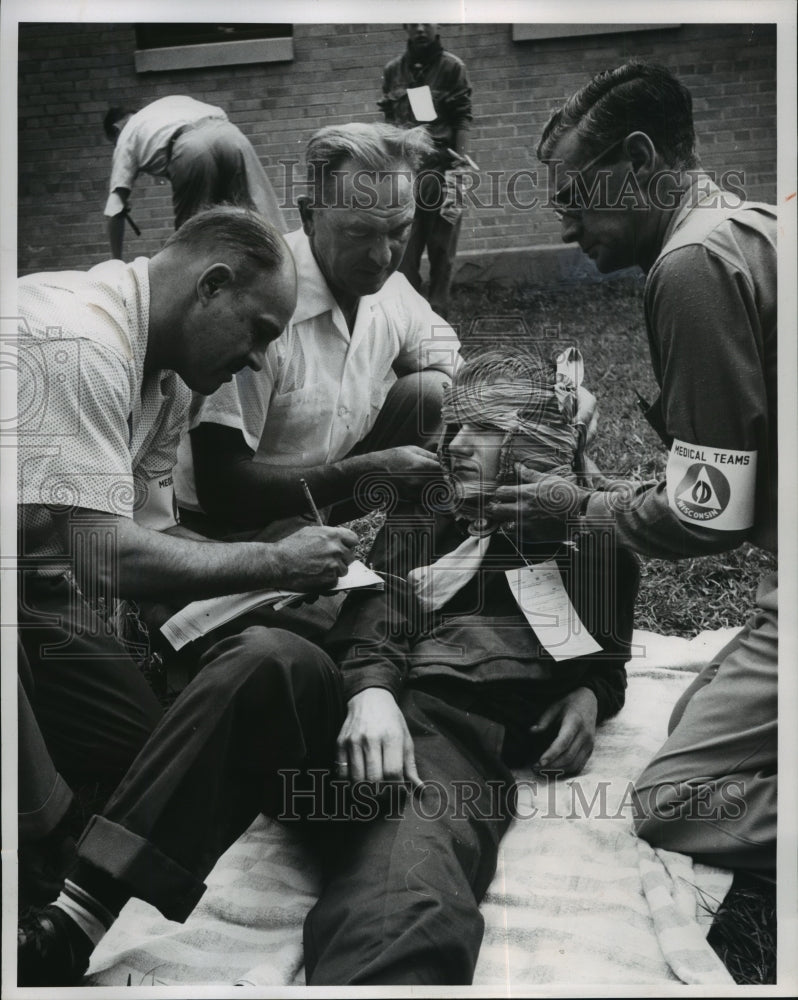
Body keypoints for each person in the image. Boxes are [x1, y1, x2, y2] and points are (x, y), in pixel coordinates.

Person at [17, 347, 638, 987]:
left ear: (533, 446)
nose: (454, 443)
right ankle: (73, 923)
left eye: (483, 429)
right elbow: (379, 607)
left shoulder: (598, 550)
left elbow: (608, 654)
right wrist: (371, 693)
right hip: (338, 710)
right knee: (265, 654)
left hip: (443, 752)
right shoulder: (429, 508)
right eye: (455, 425)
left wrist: (591, 692)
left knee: (410, 894)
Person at [16, 207, 358, 984]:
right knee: (73, 823)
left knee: (149, 760)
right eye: (261, 332)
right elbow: (107, 561)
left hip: (37, 581)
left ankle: (63, 818)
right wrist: (271, 563)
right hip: (31, 585)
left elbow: (156, 556)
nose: (258, 359)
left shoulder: (167, 380)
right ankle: (45, 856)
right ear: (211, 285)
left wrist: (271, 608)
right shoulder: (79, 340)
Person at [490, 61, 777, 872]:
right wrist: (592, 494)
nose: (567, 228)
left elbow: (707, 517)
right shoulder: (749, 225)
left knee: (672, 799)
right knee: (695, 717)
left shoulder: (689, 267)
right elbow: (717, 487)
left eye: (576, 199)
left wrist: (572, 509)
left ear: (641, 160)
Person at [175, 122, 462, 536]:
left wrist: (549, 404)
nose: (383, 257)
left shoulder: (392, 293)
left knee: (435, 393)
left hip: (324, 495)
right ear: (310, 216)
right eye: (359, 232)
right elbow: (221, 487)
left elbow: (463, 375)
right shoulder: (255, 303)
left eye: (399, 230)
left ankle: (407, 577)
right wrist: (367, 472)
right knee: (313, 594)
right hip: (233, 519)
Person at [103, 95, 286, 260]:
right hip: (229, 134)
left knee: (194, 239)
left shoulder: (126, 135)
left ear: (116, 128)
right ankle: (290, 266)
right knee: (261, 212)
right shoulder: (167, 104)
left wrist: (116, 261)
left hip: (191, 149)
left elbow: (114, 209)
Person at [379, 23, 473, 317]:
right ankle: (411, 322)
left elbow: (461, 120)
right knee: (404, 254)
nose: (421, 28)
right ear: (404, 25)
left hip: (442, 172)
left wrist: (459, 171)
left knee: (441, 253)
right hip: (405, 174)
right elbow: (388, 125)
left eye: (427, 19)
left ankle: (437, 325)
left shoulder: (452, 68)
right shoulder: (393, 71)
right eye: (414, 20)